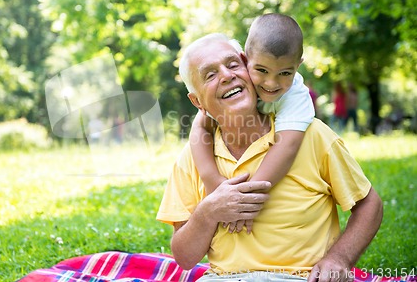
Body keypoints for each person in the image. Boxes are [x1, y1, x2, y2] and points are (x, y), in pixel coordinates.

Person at [156, 33, 383, 282]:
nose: (227, 75)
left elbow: (369, 204)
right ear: (197, 101)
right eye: (210, 74)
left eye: (233, 65)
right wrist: (208, 211)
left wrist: (339, 258)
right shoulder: (192, 158)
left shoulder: (311, 135)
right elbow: (185, 258)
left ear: (252, 72)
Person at [188, 14, 314, 233]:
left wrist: (243, 202)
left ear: (298, 66)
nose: (271, 83)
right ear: (246, 60)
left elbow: (287, 147)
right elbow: (200, 126)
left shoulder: (295, 97)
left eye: (285, 73)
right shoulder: (241, 84)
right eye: (262, 71)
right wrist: (212, 181)